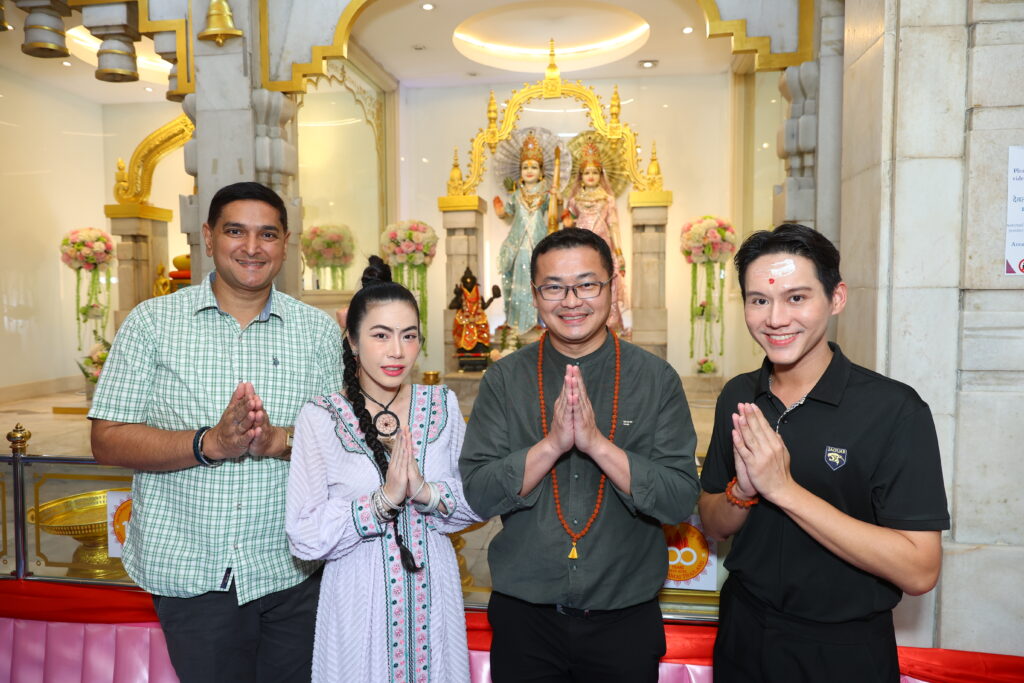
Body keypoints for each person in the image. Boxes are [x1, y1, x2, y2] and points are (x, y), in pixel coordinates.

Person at [90, 181, 344, 682]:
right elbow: (107, 438)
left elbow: (343, 440)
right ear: (208, 237)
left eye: (267, 234)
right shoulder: (152, 323)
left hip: (292, 568)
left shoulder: (316, 332)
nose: (252, 247)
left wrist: (281, 441)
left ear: (285, 243)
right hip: (193, 571)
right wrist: (210, 443)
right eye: (235, 231)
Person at [698, 223, 949, 683]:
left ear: (836, 298)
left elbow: (920, 570)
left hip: (842, 649)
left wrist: (784, 490)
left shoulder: (893, 410)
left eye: (796, 298)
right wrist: (743, 492)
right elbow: (712, 524)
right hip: (743, 632)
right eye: (759, 300)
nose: (776, 319)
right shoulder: (739, 396)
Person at [460, 228, 700, 682]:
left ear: (612, 286)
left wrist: (596, 445)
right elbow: (479, 493)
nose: (571, 301)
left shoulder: (655, 379)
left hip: (624, 618)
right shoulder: (504, 380)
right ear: (535, 294)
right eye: (554, 287)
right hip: (525, 618)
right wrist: (552, 445)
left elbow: (678, 499)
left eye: (587, 284)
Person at [287, 256, 482, 683]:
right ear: (353, 342)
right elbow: (304, 535)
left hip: (435, 595)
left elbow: (476, 501)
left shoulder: (442, 405)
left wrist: (426, 492)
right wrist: (380, 502)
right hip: (357, 601)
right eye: (381, 335)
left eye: (409, 336)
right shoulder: (321, 417)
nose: (397, 351)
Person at [563, 139, 631, 336]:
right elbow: (568, 224)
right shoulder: (574, 201)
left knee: (605, 284)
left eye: (595, 172)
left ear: (601, 175)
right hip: (579, 248)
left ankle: (609, 329)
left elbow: (614, 226)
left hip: (603, 247)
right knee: (580, 283)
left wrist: (619, 253)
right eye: (587, 172)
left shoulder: (607, 199)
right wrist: (566, 222)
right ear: (581, 176)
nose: (591, 176)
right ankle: (581, 325)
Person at [494, 130, 553, 337]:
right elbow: (507, 213)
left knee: (538, 279)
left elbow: (554, 215)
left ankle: (539, 321)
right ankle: (515, 321)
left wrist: (557, 199)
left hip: (538, 242)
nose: (529, 171)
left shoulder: (546, 194)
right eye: (525, 167)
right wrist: (499, 210)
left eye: (534, 167)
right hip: (518, 244)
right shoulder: (516, 194)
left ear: (541, 171)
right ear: (520, 171)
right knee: (517, 280)